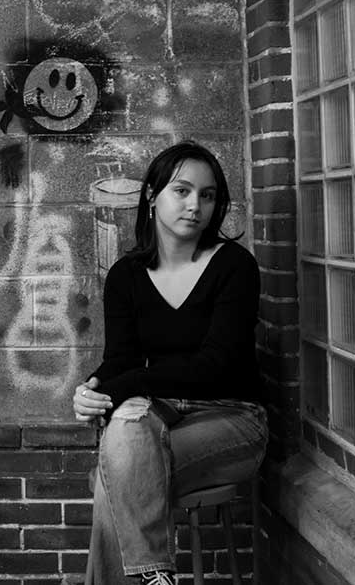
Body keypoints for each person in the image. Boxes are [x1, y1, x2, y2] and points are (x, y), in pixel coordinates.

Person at [72, 141, 267, 585]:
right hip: (156, 416)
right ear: (151, 195)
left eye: (208, 194)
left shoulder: (235, 267)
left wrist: (122, 388)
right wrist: (94, 389)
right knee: (124, 432)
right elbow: (119, 362)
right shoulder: (125, 276)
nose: (195, 205)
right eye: (182, 190)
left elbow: (213, 367)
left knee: (115, 474)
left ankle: (151, 574)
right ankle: (156, 577)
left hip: (232, 418)